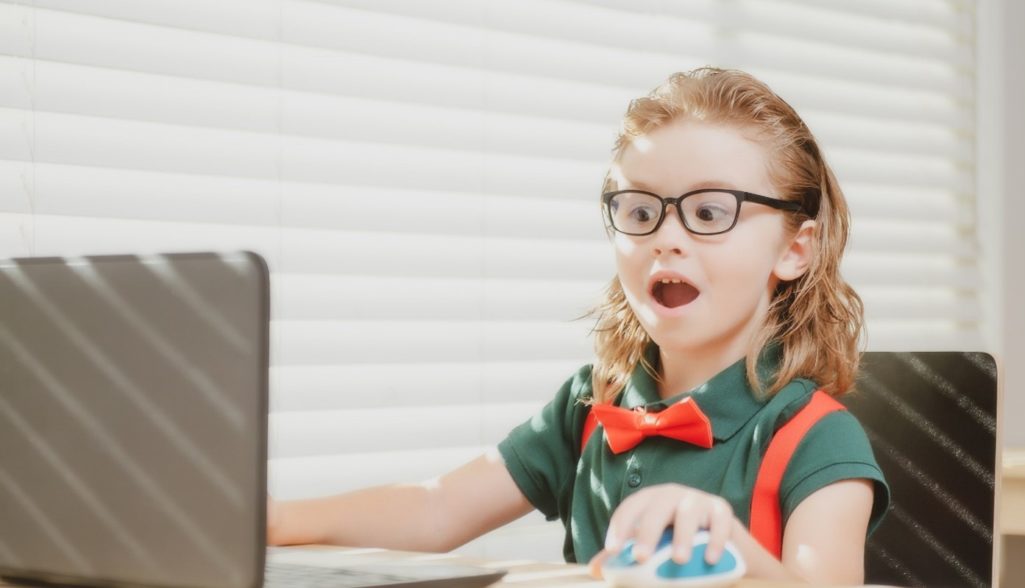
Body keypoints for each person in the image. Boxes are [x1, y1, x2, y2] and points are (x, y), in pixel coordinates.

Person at [268, 66, 890, 584]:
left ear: (795, 249)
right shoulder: (590, 405)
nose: (666, 238)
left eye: (708, 211)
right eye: (640, 210)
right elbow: (436, 509)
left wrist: (730, 547)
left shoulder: (818, 439)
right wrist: (269, 521)